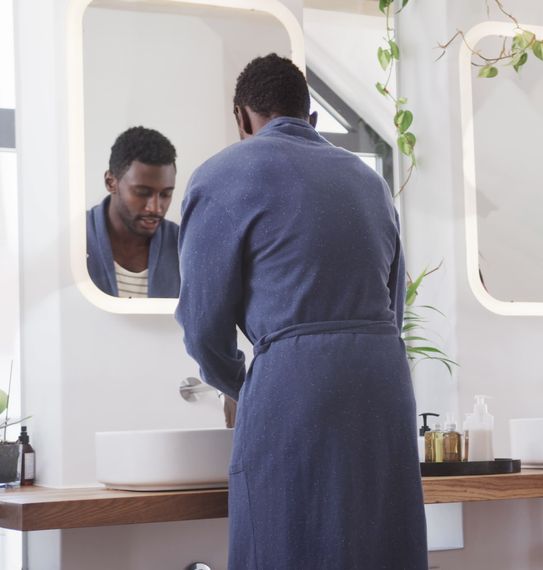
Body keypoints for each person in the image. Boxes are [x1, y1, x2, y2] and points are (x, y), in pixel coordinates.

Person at [175, 54, 427, 569]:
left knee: (285, 540)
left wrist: (240, 385)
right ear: (312, 119)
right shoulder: (368, 180)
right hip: (384, 383)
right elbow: (392, 306)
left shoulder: (221, 175)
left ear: (241, 117)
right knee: (380, 544)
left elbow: (202, 326)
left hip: (295, 383)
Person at [86, 126, 180, 298]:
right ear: (110, 182)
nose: (155, 208)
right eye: (142, 193)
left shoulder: (184, 246)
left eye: (166, 194)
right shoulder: (76, 239)